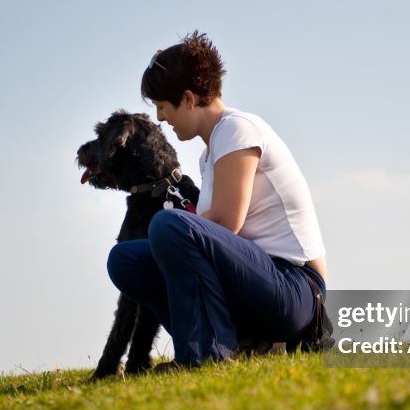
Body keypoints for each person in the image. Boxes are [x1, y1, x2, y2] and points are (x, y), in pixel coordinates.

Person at [106, 31, 327, 369]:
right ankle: (231, 342)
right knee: (125, 259)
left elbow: (226, 222)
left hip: (295, 289)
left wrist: (174, 234)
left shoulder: (237, 130)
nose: (161, 118)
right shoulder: (209, 154)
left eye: (162, 107)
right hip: (258, 282)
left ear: (188, 99)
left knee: (168, 226)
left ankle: (204, 354)